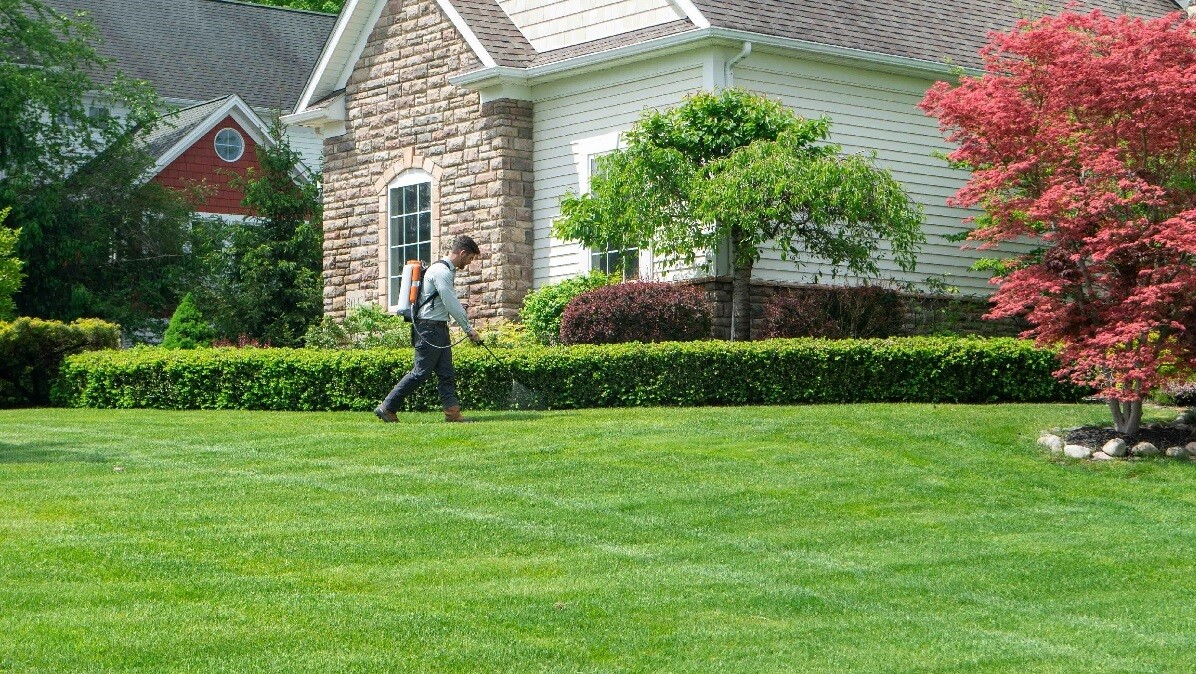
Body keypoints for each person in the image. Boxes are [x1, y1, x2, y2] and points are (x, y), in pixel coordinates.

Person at [375, 235, 483, 423]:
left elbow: (444, 301)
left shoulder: (445, 271)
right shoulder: (441, 271)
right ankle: (387, 407)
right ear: (463, 252)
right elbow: (450, 302)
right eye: (470, 258)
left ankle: (453, 414)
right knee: (420, 373)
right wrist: (469, 329)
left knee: (446, 373)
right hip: (429, 330)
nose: (470, 262)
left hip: (438, 329)